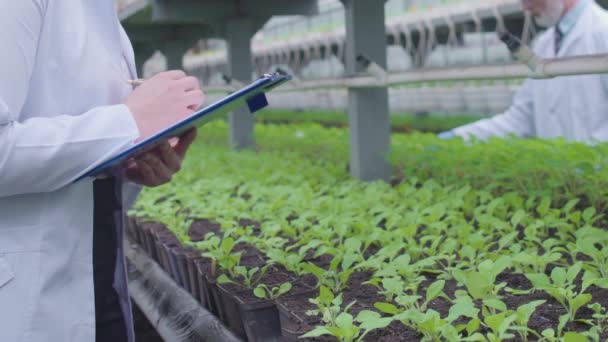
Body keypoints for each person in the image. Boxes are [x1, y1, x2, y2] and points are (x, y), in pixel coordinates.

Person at [0, 1, 204, 341]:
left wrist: (130, 165)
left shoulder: (106, 20)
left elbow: (85, 157)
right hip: (25, 304)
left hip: (99, 284)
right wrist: (127, 123)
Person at [439, 0, 608, 142]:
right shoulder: (543, 44)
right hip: (558, 176)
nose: (525, 8)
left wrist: (592, 157)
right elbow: (521, 119)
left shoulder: (603, 31)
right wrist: (458, 137)